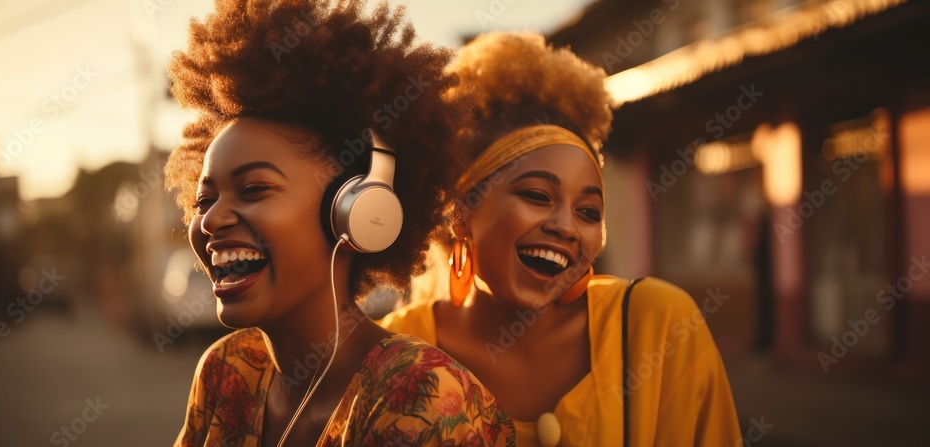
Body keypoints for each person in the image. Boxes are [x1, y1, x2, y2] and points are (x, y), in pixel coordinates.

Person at [164, 1, 514, 445]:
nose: (211, 220)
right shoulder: (229, 368)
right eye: (203, 199)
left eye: (254, 189)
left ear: (359, 212)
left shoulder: (422, 396)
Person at [380, 31, 742, 446]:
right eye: (537, 196)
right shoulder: (396, 348)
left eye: (588, 212)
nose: (566, 228)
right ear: (462, 213)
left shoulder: (658, 325)